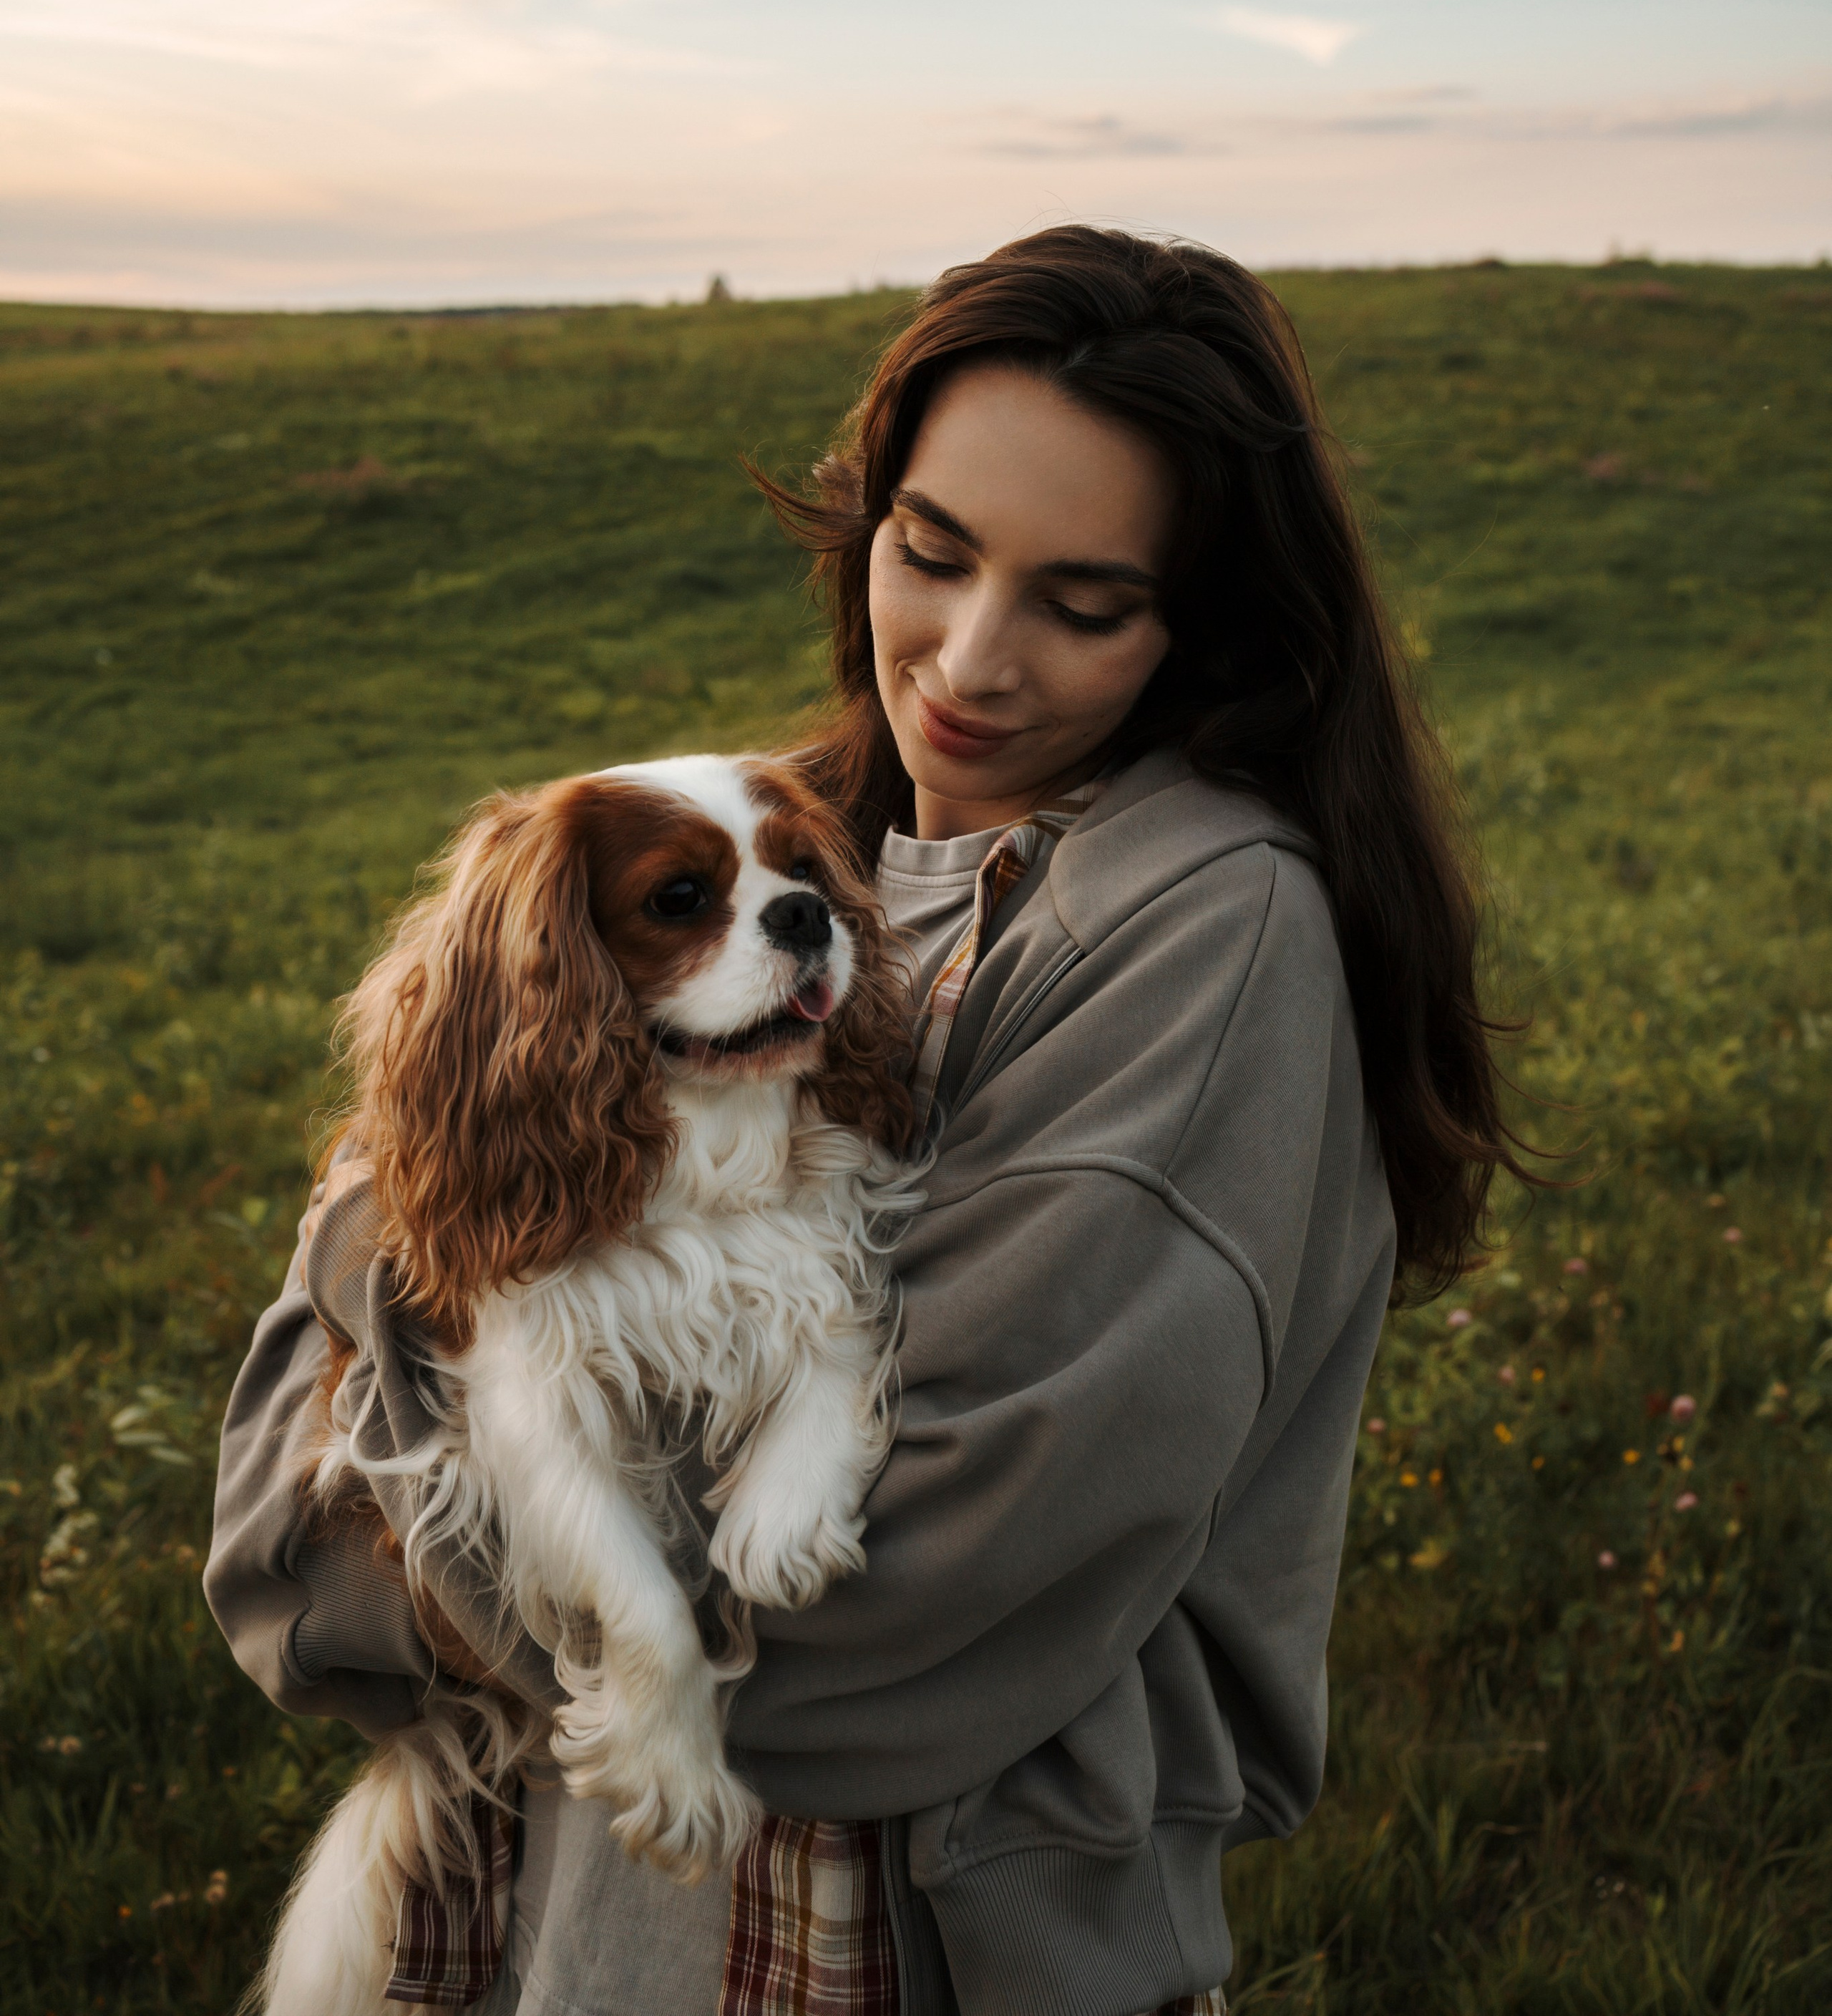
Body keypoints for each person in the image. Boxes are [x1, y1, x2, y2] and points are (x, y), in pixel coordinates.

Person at [207, 226, 1521, 2016]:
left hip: (907, 1951)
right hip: (575, 1917)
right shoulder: (800, 847)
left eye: (1081, 604)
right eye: (931, 553)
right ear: (865, 522)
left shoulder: (1212, 935)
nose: (967, 666)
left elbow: (889, 1625)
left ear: (1206, 627)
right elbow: (260, 1530)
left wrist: (437, 1562)